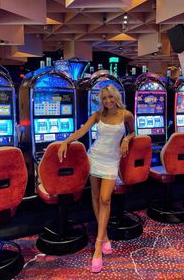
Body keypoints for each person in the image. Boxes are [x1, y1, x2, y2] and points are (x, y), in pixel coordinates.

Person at [58, 84, 135, 273]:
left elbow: (133, 132)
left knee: (105, 198)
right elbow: (81, 132)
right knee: (95, 197)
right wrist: (65, 142)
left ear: (116, 97)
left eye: (110, 97)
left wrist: (126, 139)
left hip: (111, 161)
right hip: (95, 158)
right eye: (104, 98)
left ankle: (98, 246)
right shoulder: (97, 115)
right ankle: (105, 236)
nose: (108, 101)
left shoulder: (126, 114)